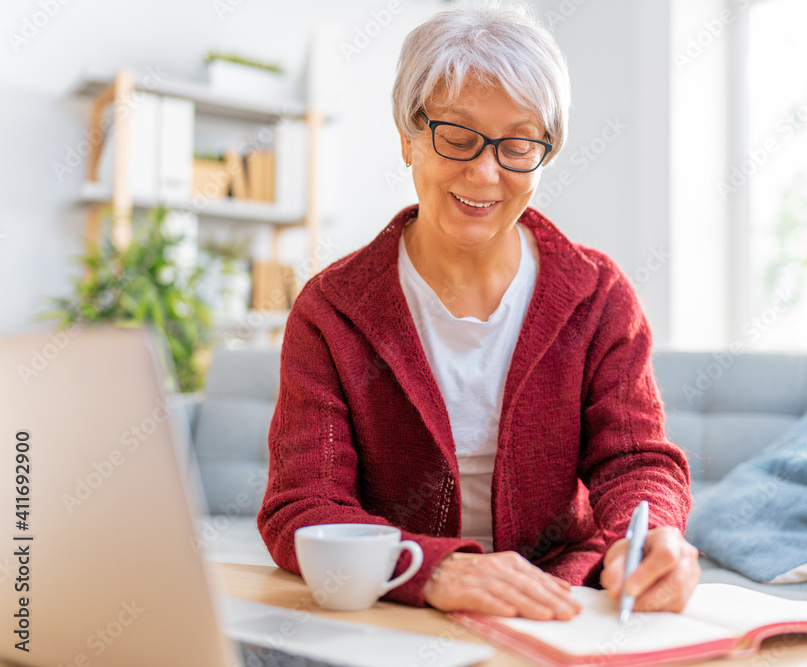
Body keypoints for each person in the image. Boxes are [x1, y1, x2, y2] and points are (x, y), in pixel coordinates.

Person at [258, 2, 699, 620]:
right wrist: (433, 570)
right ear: (407, 137)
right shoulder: (331, 311)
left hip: (568, 600)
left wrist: (649, 537)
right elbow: (304, 506)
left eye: (518, 144)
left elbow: (635, 459)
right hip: (403, 608)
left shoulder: (597, 295)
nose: (486, 172)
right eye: (458, 137)